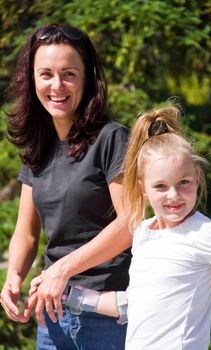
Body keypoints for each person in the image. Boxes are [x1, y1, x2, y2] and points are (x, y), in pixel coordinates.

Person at [0, 23, 132, 350]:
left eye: (68, 74)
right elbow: (27, 233)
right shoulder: (37, 147)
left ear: (88, 79)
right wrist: (14, 274)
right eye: (46, 74)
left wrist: (63, 270)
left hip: (107, 317)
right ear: (31, 80)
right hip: (53, 316)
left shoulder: (112, 138)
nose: (56, 85)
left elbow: (130, 222)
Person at [63, 105, 211, 349]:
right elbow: (134, 304)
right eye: (161, 186)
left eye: (183, 182)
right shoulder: (143, 233)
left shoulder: (207, 235)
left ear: (197, 179)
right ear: (143, 189)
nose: (173, 195)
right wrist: (72, 296)